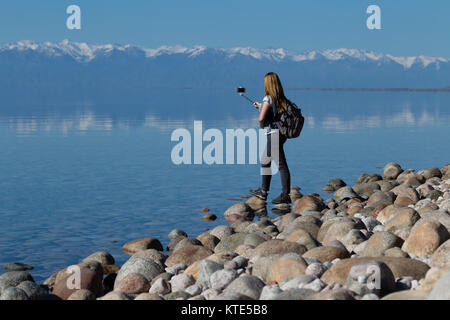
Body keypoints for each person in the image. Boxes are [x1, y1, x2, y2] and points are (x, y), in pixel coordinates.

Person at [249, 72, 291, 204]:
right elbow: (274, 113)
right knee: (265, 160)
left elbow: (262, 119)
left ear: (268, 84)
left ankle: (285, 194)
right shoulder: (281, 99)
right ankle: (263, 191)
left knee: (281, 165)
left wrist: (261, 125)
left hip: (273, 134)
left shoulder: (268, 98)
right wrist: (261, 107)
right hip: (281, 134)